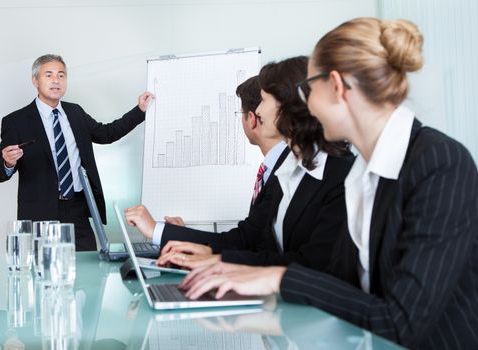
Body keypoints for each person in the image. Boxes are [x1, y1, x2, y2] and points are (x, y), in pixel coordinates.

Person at [181, 18, 478, 349]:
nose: (305, 106)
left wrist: (278, 278)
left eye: (308, 90)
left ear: (336, 86)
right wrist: (244, 313)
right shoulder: (363, 172)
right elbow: (340, 283)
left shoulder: (440, 163)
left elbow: (400, 321)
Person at [127, 57, 353, 272]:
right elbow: (253, 241)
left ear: (289, 105)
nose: (260, 111)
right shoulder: (289, 168)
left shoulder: (339, 174)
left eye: (264, 100)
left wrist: (219, 261)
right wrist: (208, 256)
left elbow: (315, 264)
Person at [0, 54, 154, 251]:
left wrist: (140, 110)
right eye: (49, 75)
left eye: (61, 75)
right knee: (44, 273)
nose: (56, 81)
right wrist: (7, 163)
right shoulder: (16, 121)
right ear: (35, 80)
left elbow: (107, 134)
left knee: (88, 270)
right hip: (40, 213)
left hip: (77, 208)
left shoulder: (75, 112)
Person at [124, 76, 289, 260]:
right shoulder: (275, 166)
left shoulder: (286, 171)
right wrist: (181, 235)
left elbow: (247, 241)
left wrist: (157, 230)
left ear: (251, 119)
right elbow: (248, 240)